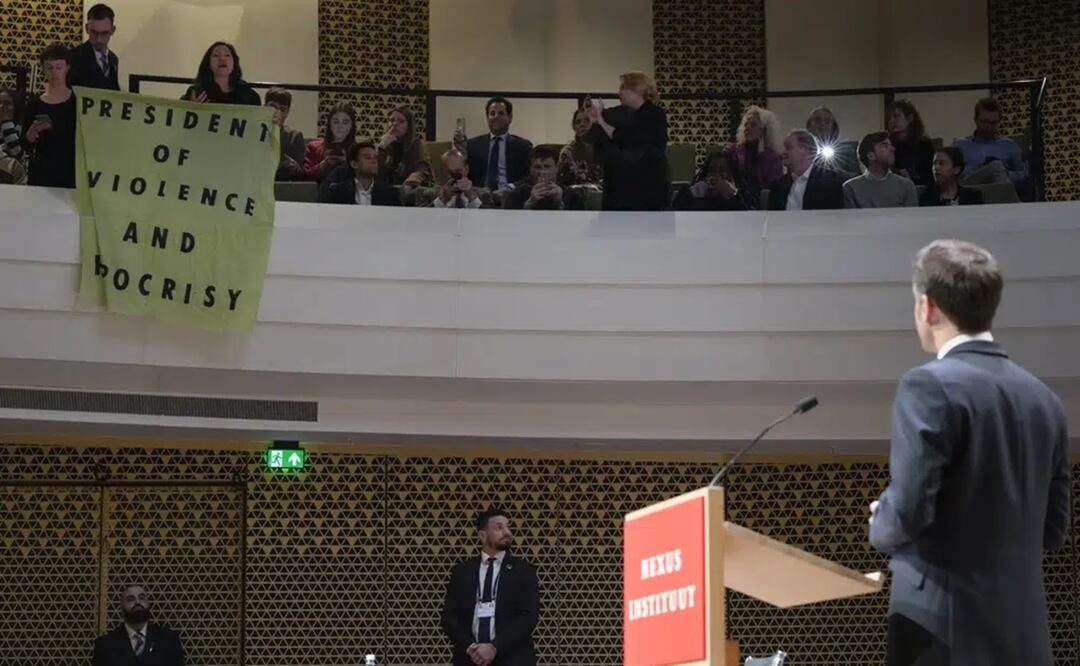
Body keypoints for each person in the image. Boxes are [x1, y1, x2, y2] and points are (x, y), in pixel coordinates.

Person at [869, 239, 1070, 666]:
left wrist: (881, 515)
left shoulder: (927, 386)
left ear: (928, 307)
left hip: (941, 633)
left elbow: (906, 514)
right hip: (1026, 639)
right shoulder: (1045, 401)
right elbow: (1053, 531)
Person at [441, 507, 540, 666]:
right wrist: (471, 648)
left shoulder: (523, 570)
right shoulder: (462, 571)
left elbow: (528, 616)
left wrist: (495, 647)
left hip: (513, 658)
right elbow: (449, 617)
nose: (507, 532)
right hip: (470, 659)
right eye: (499, 527)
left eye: (508, 527)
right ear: (482, 535)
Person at [586, 71, 669, 211]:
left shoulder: (654, 114)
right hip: (623, 185)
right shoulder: (623, 115)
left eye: (623, 88)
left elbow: (628, 140)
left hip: (647, 185)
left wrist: (601, 120)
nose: (619, 92)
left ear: (636, 90)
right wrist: (598, 120)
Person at [23, 43, 77, 188]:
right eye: (49, 68)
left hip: (70, 171)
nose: (54, 72)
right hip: (42, 171)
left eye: (58, 67)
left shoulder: (77, 102)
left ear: (67, 68)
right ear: (43, 69)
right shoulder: (35, 103)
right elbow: (25, 144)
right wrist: (31, 133)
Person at [92, 584, 185, 666]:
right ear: (121, 606)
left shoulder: (169, 639)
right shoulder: (105, 645)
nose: (137, 602)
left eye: (142, 598)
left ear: (148, 603)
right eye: (130, 599)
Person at [454, 97, 532, 192]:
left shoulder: (523, 146)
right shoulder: (473, 144)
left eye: (501, 113)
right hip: (479, 196)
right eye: (492, 113)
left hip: (510, 196)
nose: (496, 117)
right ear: (487, 118)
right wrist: (461, 154)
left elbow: (530, 177)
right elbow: (463, 174)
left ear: (510, 118)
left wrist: (510, 187)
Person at [953, 97, 1026, 187]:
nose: (989, 128)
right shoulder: (960, 145)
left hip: (1000, 185)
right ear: (975, 120)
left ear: (999, 122)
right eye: (985, 122)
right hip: (970, 189)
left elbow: (1024, 175)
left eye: (993, 123)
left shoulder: (1009, 145)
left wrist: (1005, 173)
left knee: (997, 168)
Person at [767, 129, 845, 211]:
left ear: (806, 149)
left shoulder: (831, 181)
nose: (784, 152)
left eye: (789, 147)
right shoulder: (778, 186)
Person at [843, 132, 918, 209]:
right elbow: (853, 220)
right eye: (885, 146)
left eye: (890, 145)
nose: (893, 149)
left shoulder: (906, 185)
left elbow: (912, 219)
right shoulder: (851, 187)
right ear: (871, 156)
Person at [724, 105, 783, 200]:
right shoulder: (732, 151)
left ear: (764, 130)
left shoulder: (773, 159)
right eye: (746, 124)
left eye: (753, 125)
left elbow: (775, 190)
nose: (747, 128)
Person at [318, 140, 401, 206]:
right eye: (368, 158)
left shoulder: (390, 193)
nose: (374, 161)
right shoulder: (337, 192)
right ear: (354, 164)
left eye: (375, 157)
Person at [377, 104, 433, 200]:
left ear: (409, 126)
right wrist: (382, 147)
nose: (394, 124)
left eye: (401, 121)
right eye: (392, 120)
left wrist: (409, 185)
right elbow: (373, 170)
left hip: (408, 189)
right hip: (385, 190)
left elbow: (422, 170)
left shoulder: (417, 144)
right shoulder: (383, 146)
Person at [502, 145, 585, 210]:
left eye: (547, 166)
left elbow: (578, 224)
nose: (542, 172)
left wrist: (560, 204)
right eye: (537, 167)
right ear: (530, 169)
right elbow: (509, 222)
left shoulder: (572, 195)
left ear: (557, 168)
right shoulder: (517, 194)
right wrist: (529, 203)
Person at [672, 149, 754, 211]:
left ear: (732, 174)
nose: (715, 175)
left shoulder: (742, 194)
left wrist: (732, 193)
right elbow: (676, 208)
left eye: (722, 170)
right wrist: (693, 192)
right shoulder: (700, 193)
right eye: (711, 170)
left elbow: (751, 215)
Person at [182, 42, 260, 106]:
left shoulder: (248, 95)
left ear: (234, 63)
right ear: (208, 64)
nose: (222, 59)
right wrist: (190, 108)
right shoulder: (196, 93)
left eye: (227, 55)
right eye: (216, 55)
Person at [69, 3, 120, 91]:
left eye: (104, 33)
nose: (99, 39)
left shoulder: (114, 60)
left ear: (113, 30)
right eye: (94, 33)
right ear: (86, 28)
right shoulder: (72, 58)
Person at [887, 99, 935, 187]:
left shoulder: (925, 146)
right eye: (889, 118)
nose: (891, 121)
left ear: (910, 118)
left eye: (896, 116)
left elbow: (930, 176)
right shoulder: (888, 146)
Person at [304, 103, 357, 182]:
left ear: (352, 125)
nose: (340, 127)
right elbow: (304, 178)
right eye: (336, 122)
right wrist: (324, 164)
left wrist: (348, 163)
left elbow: (366, 179)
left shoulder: (359, 151)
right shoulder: (313, 147)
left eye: (345, 122)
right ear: (329, 123)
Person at [805, 106, 859, 177]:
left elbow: (856, 179)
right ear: (809, 126)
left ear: (833, 126)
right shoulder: (802, 152)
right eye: (817, 120)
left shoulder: (846, 151)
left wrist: (836, 171)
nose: (822, 124)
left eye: (827, 121)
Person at [265, 87, 305, 181]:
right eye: (273, 107)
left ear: (287, 112)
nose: (277, 112)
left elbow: (298, 172)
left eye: (282, 109)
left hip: (282, 185)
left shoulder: (294, 136)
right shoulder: (255, 131)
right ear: (265, 107)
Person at [557, 107, 603, 188]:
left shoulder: (607, 150)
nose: (582, 124)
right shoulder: (568, 152)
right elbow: (562, 183)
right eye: (578, 122)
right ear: (574, 127)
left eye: (587, 121)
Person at [1, 87, 24, 160]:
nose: (1, 106)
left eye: (7, 103)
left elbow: (16, 153)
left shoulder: (21, 130)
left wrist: (6, 123)